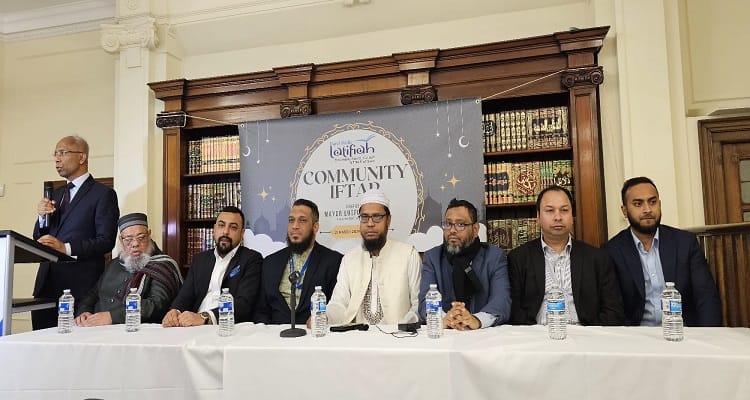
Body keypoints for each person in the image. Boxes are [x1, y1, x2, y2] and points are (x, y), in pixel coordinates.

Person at [603, 176, 722, 327]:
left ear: (659, 204)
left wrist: (707, 336)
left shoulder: (685, 243)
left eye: (652, 202)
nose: (647, 209)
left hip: (683, 332)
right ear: (625, 211)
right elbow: (614, 309)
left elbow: (706, 297)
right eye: (638, 204)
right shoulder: (612, 251)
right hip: (639, 336)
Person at [32, 135, 120, 330]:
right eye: (55, 154)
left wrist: (66, 248)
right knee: (41, 343)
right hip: (47, 286)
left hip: (80, 288)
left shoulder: (103, 194)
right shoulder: (56, 194)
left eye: (62, 153)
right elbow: (39, 238)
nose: (57, 159)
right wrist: (41, 217)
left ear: (82, 157)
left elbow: (106, 241)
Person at [508, 185, 624, 326]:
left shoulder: (597, 258)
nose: (558, 217)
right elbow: (515, 312)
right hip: (537, 334)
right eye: (550, 211)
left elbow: (613, 310)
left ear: (572, 215)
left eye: (564, 210)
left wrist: (588, 334)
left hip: (586, 334)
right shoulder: (518, 258)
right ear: (538, 216)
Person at [327, 189, 421, 325]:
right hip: (357, 335)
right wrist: (324, 317)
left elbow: (417, 305)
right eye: (364, 217)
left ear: (388, 220)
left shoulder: (408, 254)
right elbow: (339, 302)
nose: (370, 223)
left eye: (377, 217)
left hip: (398, 334)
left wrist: (404, 326)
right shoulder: (349, 259)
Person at [74, 213, 182, 326]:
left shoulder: (162, 265)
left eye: (141, 237)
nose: (135, 244)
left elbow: (156, 304)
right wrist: (84, 312)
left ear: (149, 235)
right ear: (121, 240)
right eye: (128, 239)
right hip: (95, 326)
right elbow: (93, 294)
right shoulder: (113, 264)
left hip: (133, 328)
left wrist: (112, 317)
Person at [162, 206, 262, 327]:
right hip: (193, 326)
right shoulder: (200, 259)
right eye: (221, 225)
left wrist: (205, 317)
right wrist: (175, 311)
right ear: (214, 229)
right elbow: (185, 295)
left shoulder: (251, 259)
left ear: (242, 233)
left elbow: (244, 304)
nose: (225, 232)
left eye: (233, 227)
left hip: (227, 326)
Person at [419, 199, 511, 330]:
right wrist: (444, 319)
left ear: (475, 229)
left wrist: (475, 320)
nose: (452, 230)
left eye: (460, 224)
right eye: (448, 224)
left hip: (483, 335)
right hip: (446, 332)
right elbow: (425, 301)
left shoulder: (494, 257)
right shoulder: (433, 257)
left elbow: (501, 300)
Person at [254, 199, 342, 324]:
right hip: (275, 332)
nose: (295, 226)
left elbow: (337, 307)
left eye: (302, 220)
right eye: (291, 220)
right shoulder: (270, 262)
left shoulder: (333, 261)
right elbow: (261, 311)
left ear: (315, 227)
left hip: (314, 332)